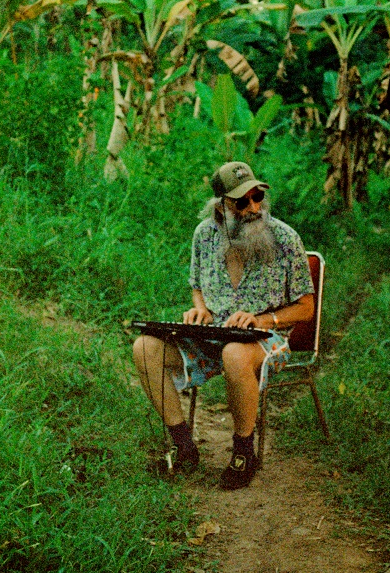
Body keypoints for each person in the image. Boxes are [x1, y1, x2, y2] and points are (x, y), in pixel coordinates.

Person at [133, 161, 315, 489]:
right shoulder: (204, 235)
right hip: (213, 335)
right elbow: (197, 284)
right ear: (221, 206)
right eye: (242, 202)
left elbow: (306, 307)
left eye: (257, 197)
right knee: (145, 346)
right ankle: (183, 446)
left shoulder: (286, 238)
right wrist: (199, 310)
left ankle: (244, 451)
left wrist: (262, 319)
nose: (253, 208)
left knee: (234, 353)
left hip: (268, 338)